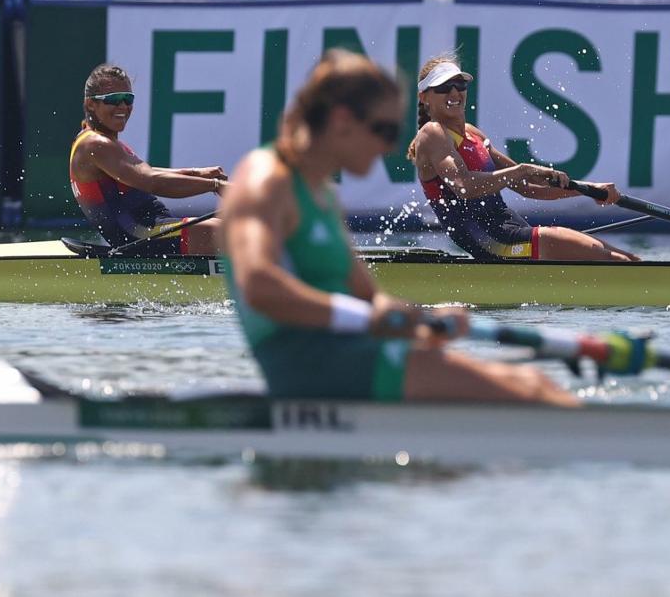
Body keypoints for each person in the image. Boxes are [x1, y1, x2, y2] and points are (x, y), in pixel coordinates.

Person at [222, 49, 577, 405]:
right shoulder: (266, 179)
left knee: (535, 380)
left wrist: (424, 321)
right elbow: (258, 286)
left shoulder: (323, 194)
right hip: (316, 371)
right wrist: (370, 315)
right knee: (530, 392)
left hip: (358, 355)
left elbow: (368, 298)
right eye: (384, 130)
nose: (391, 147)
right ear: (343, 121)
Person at [407, 54, 639, 261]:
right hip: (491, 241)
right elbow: (464, 187)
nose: (455, 93)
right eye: (444, 87)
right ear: (424, 97)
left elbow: (528, 187)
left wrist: (590, 189)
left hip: (510, 228)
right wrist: (523, 169)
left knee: (629, 258)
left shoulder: (473, 134)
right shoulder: (431, 133)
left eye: (460, 84)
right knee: (619, 262)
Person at [69, 63, 226, 255]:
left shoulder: (103, 141)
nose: (123, 106)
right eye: (114, 99)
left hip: (150, 228)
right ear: (90, 104)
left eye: (128, 99)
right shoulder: (95, 144)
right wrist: (215, 186)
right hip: (137, 235)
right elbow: (150, 181)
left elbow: (146, 172)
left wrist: (197, 173)